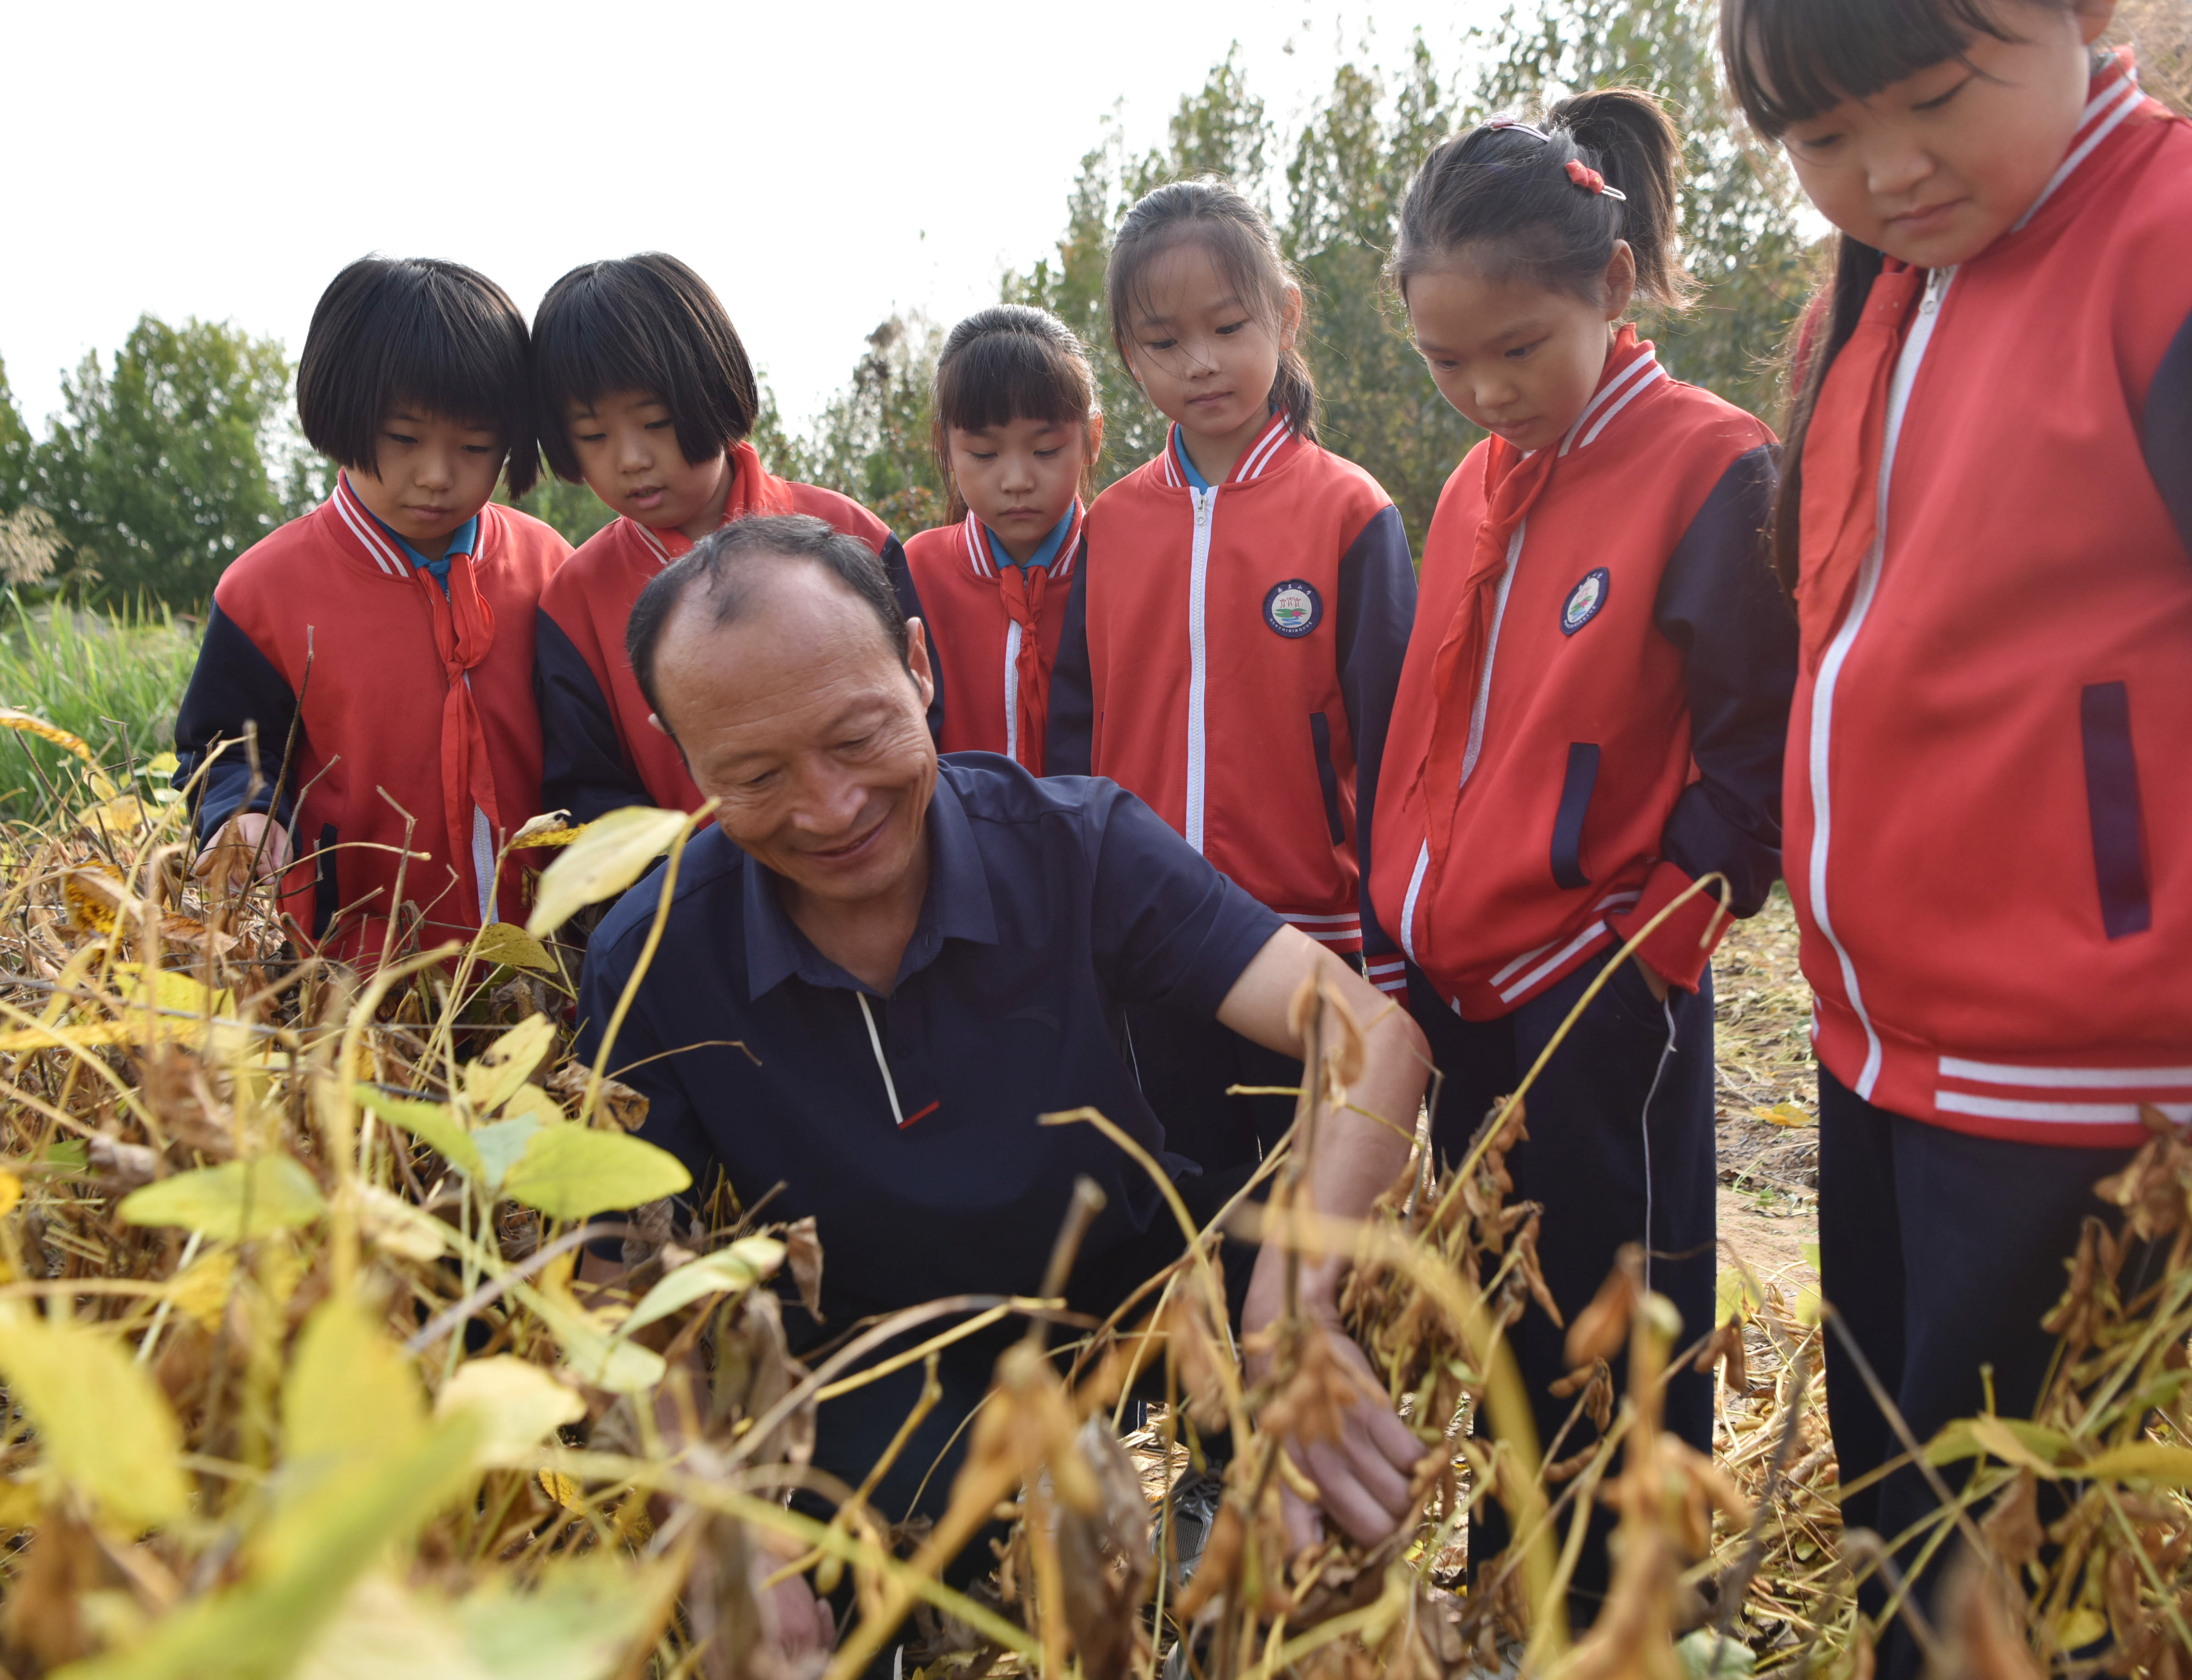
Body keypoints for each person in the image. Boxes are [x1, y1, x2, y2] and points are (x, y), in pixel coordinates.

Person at [1715, 0, 2192, 1664]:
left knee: (2016, 1555)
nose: (1882, 168)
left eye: (1936, 97)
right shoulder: (1882, 284)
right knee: (1904, 1490)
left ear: (2085, 16)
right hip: (1889, 1033)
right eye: (1816, 144)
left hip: (2103, 1064)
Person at [573, 513, 1429, 1654]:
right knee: (895, 1587)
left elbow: (1367, 1032)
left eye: (856, 736)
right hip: (884, 1371)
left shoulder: (1076, 843)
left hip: (1138, 1307)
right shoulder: (653, 953)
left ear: (920, 667)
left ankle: (1239, 1550)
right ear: (684, 759)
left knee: (1367, 1333)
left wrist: (1288, 1304)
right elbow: (611, 1280)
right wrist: (716, 1516)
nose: (827, 808)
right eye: (754, 775)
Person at [1369, 91, 1796, 1601]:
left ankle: (1629, 1598)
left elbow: (1758, 763)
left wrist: (1640, 957)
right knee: (1505, 1294)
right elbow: (1433, 731)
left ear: (1611, 293)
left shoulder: (1710, 468)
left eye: (1516, 351)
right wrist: (1398, 924)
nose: (1484, 391)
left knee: (1627, 1298)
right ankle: (1516, 1561)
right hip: (1462, 973)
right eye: (1445, 363)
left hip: (1598, 986)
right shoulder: (1481, 481)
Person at [1047, 179, 1417, 1176]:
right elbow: (1075, 734)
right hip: (1153, 929)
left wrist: (1391, 938)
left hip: (1317, 931)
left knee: (1313, 1198)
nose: (1200, 361)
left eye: (1227, 325)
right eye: (1163, 342)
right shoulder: (1114, 525)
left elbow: (1395, 744)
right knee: (1190, 1190)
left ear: (1284, 316)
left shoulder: (1349, 510)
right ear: (1127, 354)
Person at [173, 257, 568, 965]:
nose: (438, 475)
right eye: (405, 439)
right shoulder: (264, 591)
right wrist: (250, 814)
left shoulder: (547, 568)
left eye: (475, 448)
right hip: (356, 968)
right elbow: (226, 746)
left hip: (548, 960)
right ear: (341, 414)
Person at [527, 253, 941, 823]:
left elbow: (925, 722)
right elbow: (591, 794)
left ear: (713, 393)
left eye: (655, 423)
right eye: (593, 435)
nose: (630, 459)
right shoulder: (575, 600)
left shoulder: (851, 533)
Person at [900, 307, 1100, 773]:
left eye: (1046, 450)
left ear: (1092, 439)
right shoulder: (917, 572)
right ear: (945, 448)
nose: (1016, 480)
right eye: (984, 453)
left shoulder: (1122, 568)